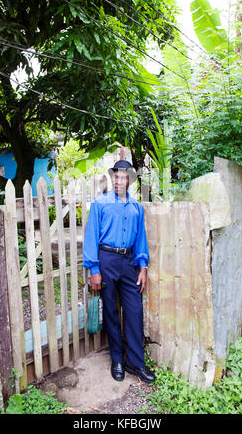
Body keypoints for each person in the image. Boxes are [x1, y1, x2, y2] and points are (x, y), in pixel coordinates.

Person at [83, 160, 155, 384]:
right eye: (115, 176)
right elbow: (91, 236)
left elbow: (141, 239)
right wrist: (94, 269)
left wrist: (142, 266)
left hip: (129, 262)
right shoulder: (100, 203)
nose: (117, 180)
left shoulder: (136, 208)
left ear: (129, 180)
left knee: (134, 310)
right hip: (106, 259)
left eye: (122, 176)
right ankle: (117, 360)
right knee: (112, 313)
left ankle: (135, 362)